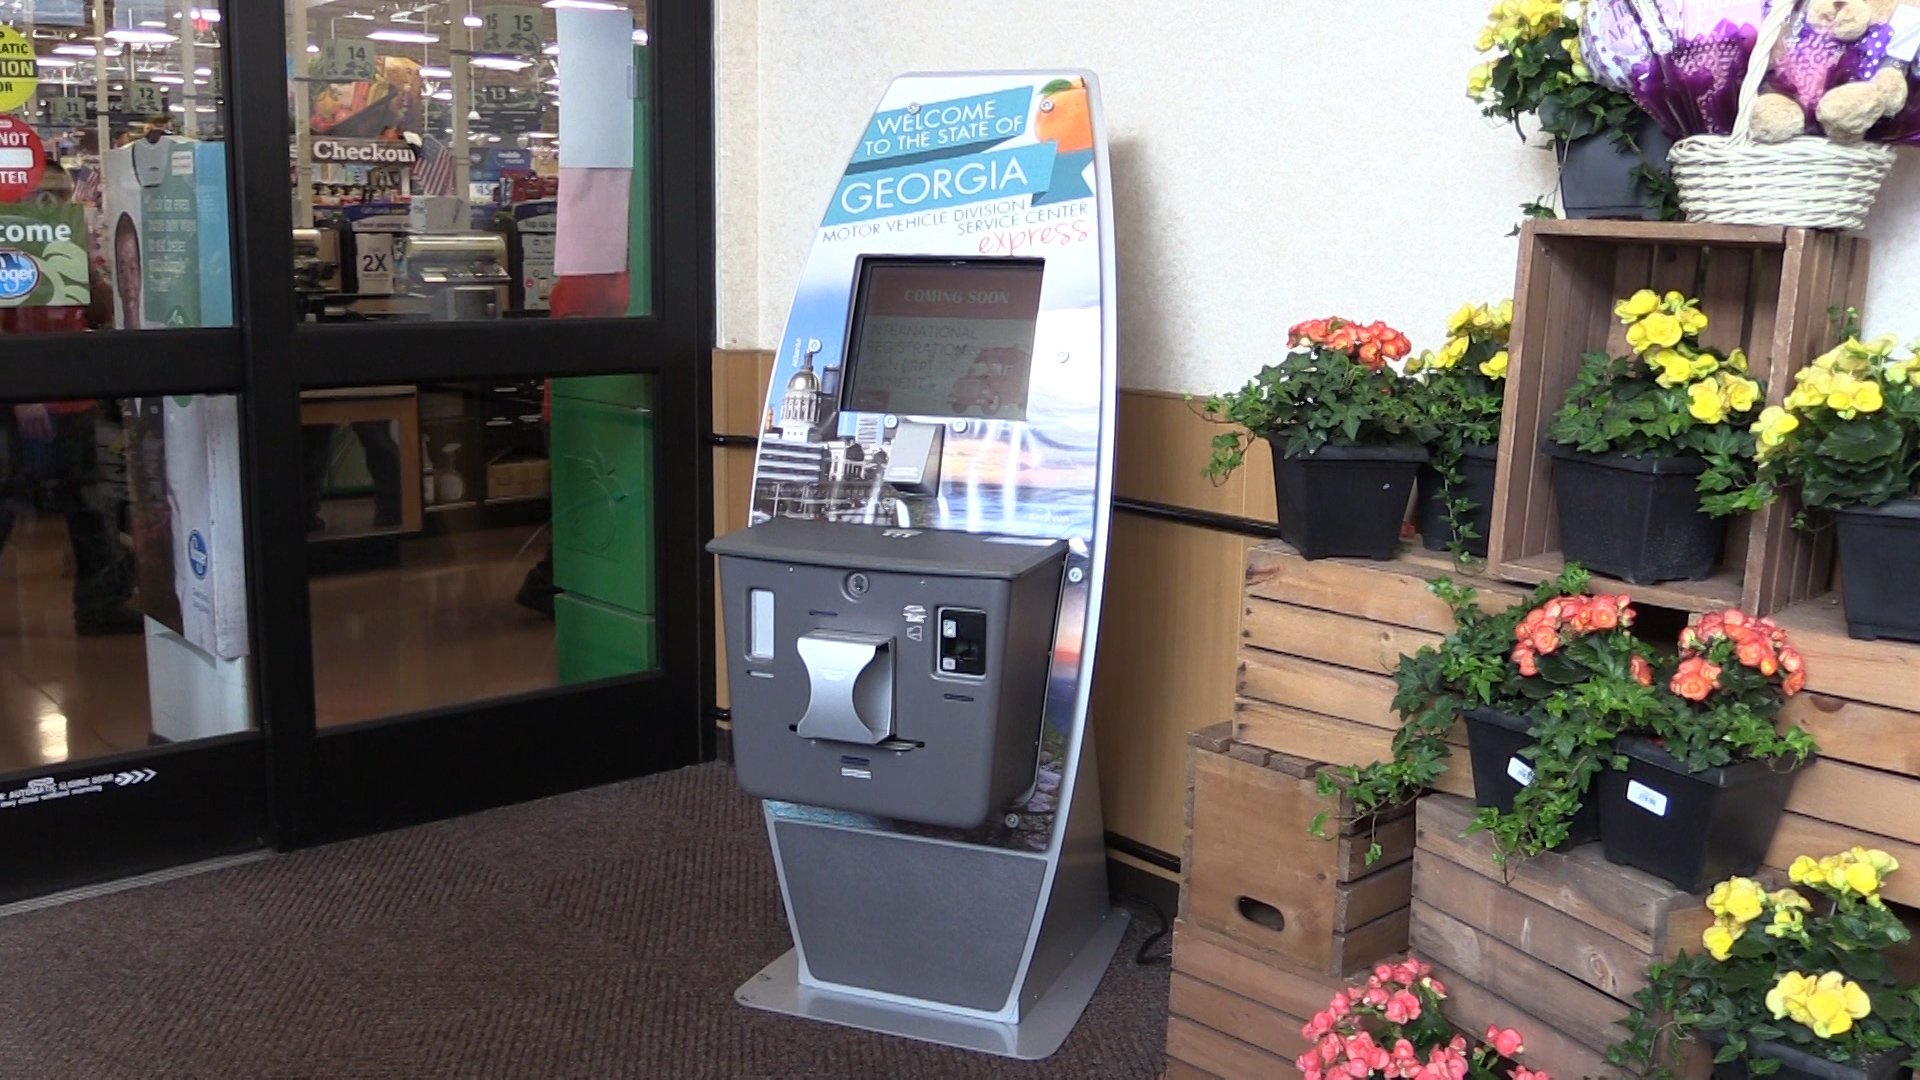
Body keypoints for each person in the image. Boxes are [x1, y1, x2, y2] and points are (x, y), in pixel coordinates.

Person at [0, 158, 140, 635]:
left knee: (90, 508)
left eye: (58, 195)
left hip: (74, 402)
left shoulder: (66, 247)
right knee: (5, 504)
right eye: (42, 194)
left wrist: (89, 261)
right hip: (19, 404)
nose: (51, 204)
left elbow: (101, 311)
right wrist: (20, 394)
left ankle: (102, 605)